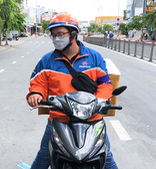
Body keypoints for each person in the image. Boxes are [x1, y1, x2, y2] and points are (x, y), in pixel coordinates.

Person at [26, 13, 118, 169]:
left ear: (73, 34)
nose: (56, 39)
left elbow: (105, 84)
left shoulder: (94, 57)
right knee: (43, 157)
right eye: (53, 35)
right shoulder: (47, 60)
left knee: (106, 158)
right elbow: (38, 82)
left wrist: (100, 100)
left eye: (60, 34)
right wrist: (35, 93)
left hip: (91, 119)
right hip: (60, 119)